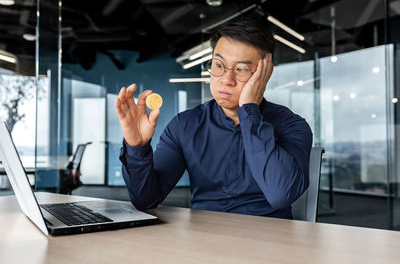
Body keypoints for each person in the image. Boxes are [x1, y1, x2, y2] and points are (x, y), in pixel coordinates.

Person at [115, 20, 313, 219]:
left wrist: (249, 111)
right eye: (219, 65)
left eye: (241, 69)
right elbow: (145, 200)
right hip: (205, 239)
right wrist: (137, 147)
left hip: (272, 241)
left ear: (265, 73)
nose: (226, 79)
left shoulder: (292, 126)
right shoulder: (185, 125)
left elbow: (281, 195)